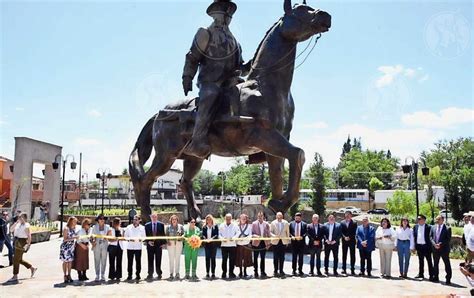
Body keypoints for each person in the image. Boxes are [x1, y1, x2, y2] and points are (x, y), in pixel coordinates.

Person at [182, 0, 250, 159]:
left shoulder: (235, 43)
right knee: (210, 96)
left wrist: (255, 64)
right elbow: (192, 57)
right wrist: (187, 77)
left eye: (229, 14)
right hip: (210, 82)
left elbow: (242, 67)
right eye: (224, 12)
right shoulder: (205, 33)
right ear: (215, 13)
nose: (227, 16)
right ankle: (197, 140)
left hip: (230, 83)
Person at [9, 212, 37, 282]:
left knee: (15, 259)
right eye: (19, 217)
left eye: (21, 217)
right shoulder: (18, 224)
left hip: (22, 242)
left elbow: (29, 235)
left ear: (24, 218)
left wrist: (28, 244)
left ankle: (15, 275)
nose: (19, 218)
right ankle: (32, 268)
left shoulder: (26, 225)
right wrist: (15, 223)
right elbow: (10, 230)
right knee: (19, 259)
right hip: (16, 240)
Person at [430, 214, 452, 284]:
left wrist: (440, 244)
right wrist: (434, 244)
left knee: (447, 264)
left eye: (438, 219)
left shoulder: (448, 228)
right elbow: (430, 237)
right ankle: (436, 277)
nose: (437, 220)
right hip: (435, 249)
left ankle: (448, 279)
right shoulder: (433, 227)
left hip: (444, 249)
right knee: (435, 263)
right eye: (436, 219)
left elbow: (448, 239)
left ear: (443, 220)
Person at [144, 213, 166, 280]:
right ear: (151, 217)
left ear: (157, 217)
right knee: (150, 260)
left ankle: (159, 273)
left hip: (158, 245)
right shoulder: (146, 225)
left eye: (155, 217)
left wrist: (163, 243)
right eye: (152, 217)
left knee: (158, 260)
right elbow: (145, 236)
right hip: (150, 245)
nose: (154, 218)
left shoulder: (161, 225)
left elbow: (163, 234)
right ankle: (150, 274)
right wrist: (148, 242)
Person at [124, 214, 146, 281]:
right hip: (130, 247)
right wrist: (129, 239)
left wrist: (140, 240)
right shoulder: (128, 227)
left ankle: (138, 274)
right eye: (134, 219)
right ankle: (129, 275)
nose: (135, 221)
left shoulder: (142, 228)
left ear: (139, 220)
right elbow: (125, 236)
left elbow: (144, 237)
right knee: (130, 262)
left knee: (138, 262)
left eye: (136, 219)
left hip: (138, 247)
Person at [413, 214, 434, 281]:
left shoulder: (429, 227)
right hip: (419, 246)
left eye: (419, 219)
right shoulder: (415, 227)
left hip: (427, 246)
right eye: (418, 219)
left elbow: (431, 236)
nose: (418, 220)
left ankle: (431, 275)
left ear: (424, 220)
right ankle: (421, 273)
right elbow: (414, 237)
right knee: (420, 261)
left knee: (429, 261)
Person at [91, 214, 111, 282]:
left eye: (103, 219)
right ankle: (97, 275)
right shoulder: (94, 227)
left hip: (105, 244)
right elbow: (91, 236)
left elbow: (110, 236)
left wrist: (108, 235)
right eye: (100, 219)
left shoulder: (108, 227)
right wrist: (92, 241)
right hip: (97, 244)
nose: (102, 220)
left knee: (104, 260)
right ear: (98, 220)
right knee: (97, 260)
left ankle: (102, 274)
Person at [270, 211, 290, 277]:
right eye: (278, 216)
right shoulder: (273, 223)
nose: (279, 217)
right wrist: (274, 236)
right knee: (275, 257)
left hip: (283, 242)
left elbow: (288, 233)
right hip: (275, 242)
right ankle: (275, 270)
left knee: (282, 257)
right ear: (276, 216)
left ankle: (281, 270)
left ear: (282, 216)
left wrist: (287, 241)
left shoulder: (286, 223)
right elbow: (270, 232)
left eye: (280, 216)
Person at [219, 213, 239, 279]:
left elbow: (238, 233)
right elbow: (219, 234)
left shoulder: (235, 225)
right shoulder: (221, 225)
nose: (228, 219)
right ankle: (224, 272)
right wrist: (222, 239)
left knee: (232, 260)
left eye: (229, 218)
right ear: (225, 218)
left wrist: (233, 238)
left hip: (232, 245)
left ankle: (231, 272)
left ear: (231, 218)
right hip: (224, 245)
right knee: (224, 260)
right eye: (227, 218)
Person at [251, 211, 270, 278]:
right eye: (259, 216)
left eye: (261, 216)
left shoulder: (266, 224)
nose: (260, 217)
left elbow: (268, 234)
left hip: (263, 242)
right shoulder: (254, 224)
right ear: (257, 216)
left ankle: (262, 271)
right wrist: (255, 236)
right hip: (256, 242)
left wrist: (268, 243)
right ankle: (255, 271)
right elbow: (251, 233)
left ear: (263, 217)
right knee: (255, 258)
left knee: (263, 258)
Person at [60, 216, 78, 283]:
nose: (75, 223)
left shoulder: (73, 228)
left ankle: (69, 275)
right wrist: (74, 238)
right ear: (71, 221)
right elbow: (65, 239)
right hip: (65, 247)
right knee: (65, 261)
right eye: (74, 221)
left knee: (70, 261)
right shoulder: (66, 228)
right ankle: (65, 275)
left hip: (71, 247)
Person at [166, 214, 184, 280]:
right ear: (171, 220)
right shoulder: (168, 227)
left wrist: (181, 237)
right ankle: (171, 273)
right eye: (173, 219)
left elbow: (183, 235)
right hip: (171, 244)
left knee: (177, 259)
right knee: (171, 259)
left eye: (175, 219)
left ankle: (177, 273)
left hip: (179, 243)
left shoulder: (181, 226)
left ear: (177, 220)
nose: (174, 220)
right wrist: (168, 241)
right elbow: (166, 236)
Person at [235, 213, 253, 278]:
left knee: (246, 258)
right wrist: (239, 239)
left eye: (244, 219)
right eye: (242, 218)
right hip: (239, 244)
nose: (243, 220)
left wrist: (245, 239)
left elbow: (250, 235)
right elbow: (235, 234)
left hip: (246, 244)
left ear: (246, 219)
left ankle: (245, 271)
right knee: (239, 258)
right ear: (240, 219)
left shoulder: (249, 226)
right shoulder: (236, 226)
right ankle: (240, 272)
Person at [202, 214, 219, 279]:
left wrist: (212, 239)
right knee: (207, 259)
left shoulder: (215, 226)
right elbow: (203, 235)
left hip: (213, 244)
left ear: (212, 219)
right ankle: (207, 273)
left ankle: (213, 273)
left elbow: (216, 234)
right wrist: (205, 239)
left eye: (210, 219)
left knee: (213, 258)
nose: (208, 220)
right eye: (207, 219)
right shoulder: (204, 227)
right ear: (206, 220)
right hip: (207, 244)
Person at [341, 211, 357, 275]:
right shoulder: (342, 222)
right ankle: (343, 269)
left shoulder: (354, 222)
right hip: (344, 241)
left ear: (351, 215)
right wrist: (345, 237)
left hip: (352, 241)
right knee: (344, 255)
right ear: (345, 215)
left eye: (348, 215)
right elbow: (341, 231)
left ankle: (352, 269)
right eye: (346, 214)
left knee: (352, 255)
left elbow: (355, 231)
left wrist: (349, 237)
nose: (347, 216)